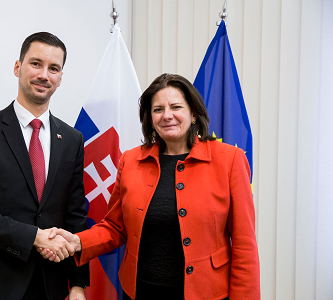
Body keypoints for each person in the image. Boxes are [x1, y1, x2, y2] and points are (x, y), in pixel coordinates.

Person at [40, 73, 260, 299]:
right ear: (150, 118)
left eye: (176, 107)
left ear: (193, 113)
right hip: (140, 291)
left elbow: (244, 244)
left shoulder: (229, 160)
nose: (167, 116)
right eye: (157, 109)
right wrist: (78, 241)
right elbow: (115, 227)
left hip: (206, 293)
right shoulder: (131, 160)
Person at [0, 32, 89, 300]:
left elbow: (75, 216)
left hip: (52, 284)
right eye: (35, 64)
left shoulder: (72, 139)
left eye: (53, 68)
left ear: (60, 78)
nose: (44, 75)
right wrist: (34, 237)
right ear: (18, 67)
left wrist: (78, 285)